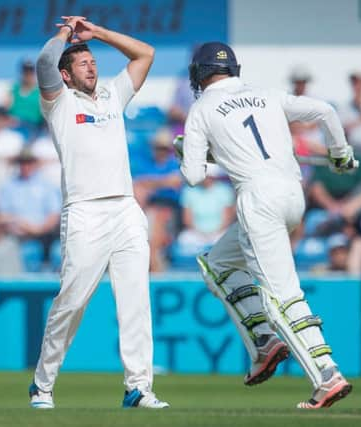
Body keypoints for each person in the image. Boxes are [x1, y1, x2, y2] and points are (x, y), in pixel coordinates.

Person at [179, 42, 355, 409]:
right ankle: (263, 341)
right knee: (218, 264)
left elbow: (194, 177)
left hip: (258, 200)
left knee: (281, 296)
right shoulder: (266, 94)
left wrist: (188, 152)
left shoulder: (201, 109)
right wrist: (339, 154)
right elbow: (325, 111)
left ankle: (327, 374)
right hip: (293, 194)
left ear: (198, 74)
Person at [28, 16, 168, 409]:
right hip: (85, 211)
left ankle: (138, 387)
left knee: (136, 300)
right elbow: (43, 64)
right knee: (72, 301)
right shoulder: (58, 103)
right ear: (66, 76)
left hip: (125, 208)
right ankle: (42, 384)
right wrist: (64, 34)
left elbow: (146, 54)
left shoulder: (112, 96)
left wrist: (99, 34)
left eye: (93, 60)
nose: (91, 64)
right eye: (82, 62)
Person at [0, 148, 60, 259]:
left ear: (35, 164)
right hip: (16, 235)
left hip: (44, 234)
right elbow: (2, 215)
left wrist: (39, 230)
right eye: (22, 162)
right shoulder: (8, 186)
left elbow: (54, 214)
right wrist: (22, 225)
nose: (25, 166)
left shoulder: (47, 184)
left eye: (29, 162)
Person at [133, 128, 182, 271]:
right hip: (149, 208)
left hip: (169, 209)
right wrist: (163, 182)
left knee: (156, 229)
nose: (160, 151)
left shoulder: (174, 163)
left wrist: (151, 183)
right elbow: (138, 185)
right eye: (158, 147)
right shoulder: (146, 164)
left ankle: (155, 269)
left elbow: (175, 182)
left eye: (164, 148)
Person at [176, 164, 235, 254]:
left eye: (209, 176)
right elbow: (187, 219)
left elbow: (227, 218)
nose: (207, 179)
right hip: (195, 233)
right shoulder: (189, 191)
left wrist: (213, 233)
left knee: (226, 241)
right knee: (184, 239)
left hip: (219, 233)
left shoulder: (225, 190)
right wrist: (201, 234)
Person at [6, 59, 44, 130]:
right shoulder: (14, 89)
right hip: (14, 125)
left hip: (34, 127)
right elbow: (6, 108)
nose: (28, 75)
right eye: (25, 72)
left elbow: (44, 113)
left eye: (30, 72)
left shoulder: (40, 92)